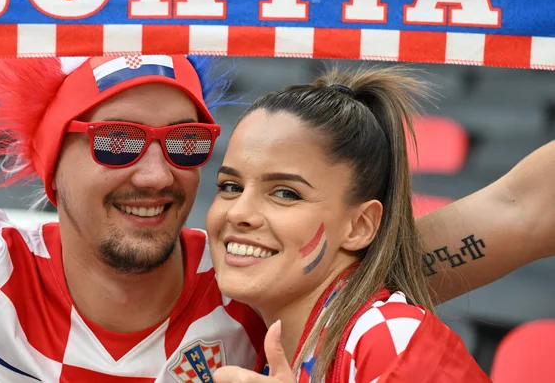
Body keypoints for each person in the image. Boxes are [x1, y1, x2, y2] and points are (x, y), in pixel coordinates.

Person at [0, 55, 553, 382]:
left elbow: (522, 208)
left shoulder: (272, 280)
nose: (158, 172)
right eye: (116, 141)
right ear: (48, 163)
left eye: (188, 143)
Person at [210, 66, 490, 383]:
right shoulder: (257, 339)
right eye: (230, 187)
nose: (238, 213)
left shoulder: (394, 341)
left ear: (359, 226)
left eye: (286, 193)